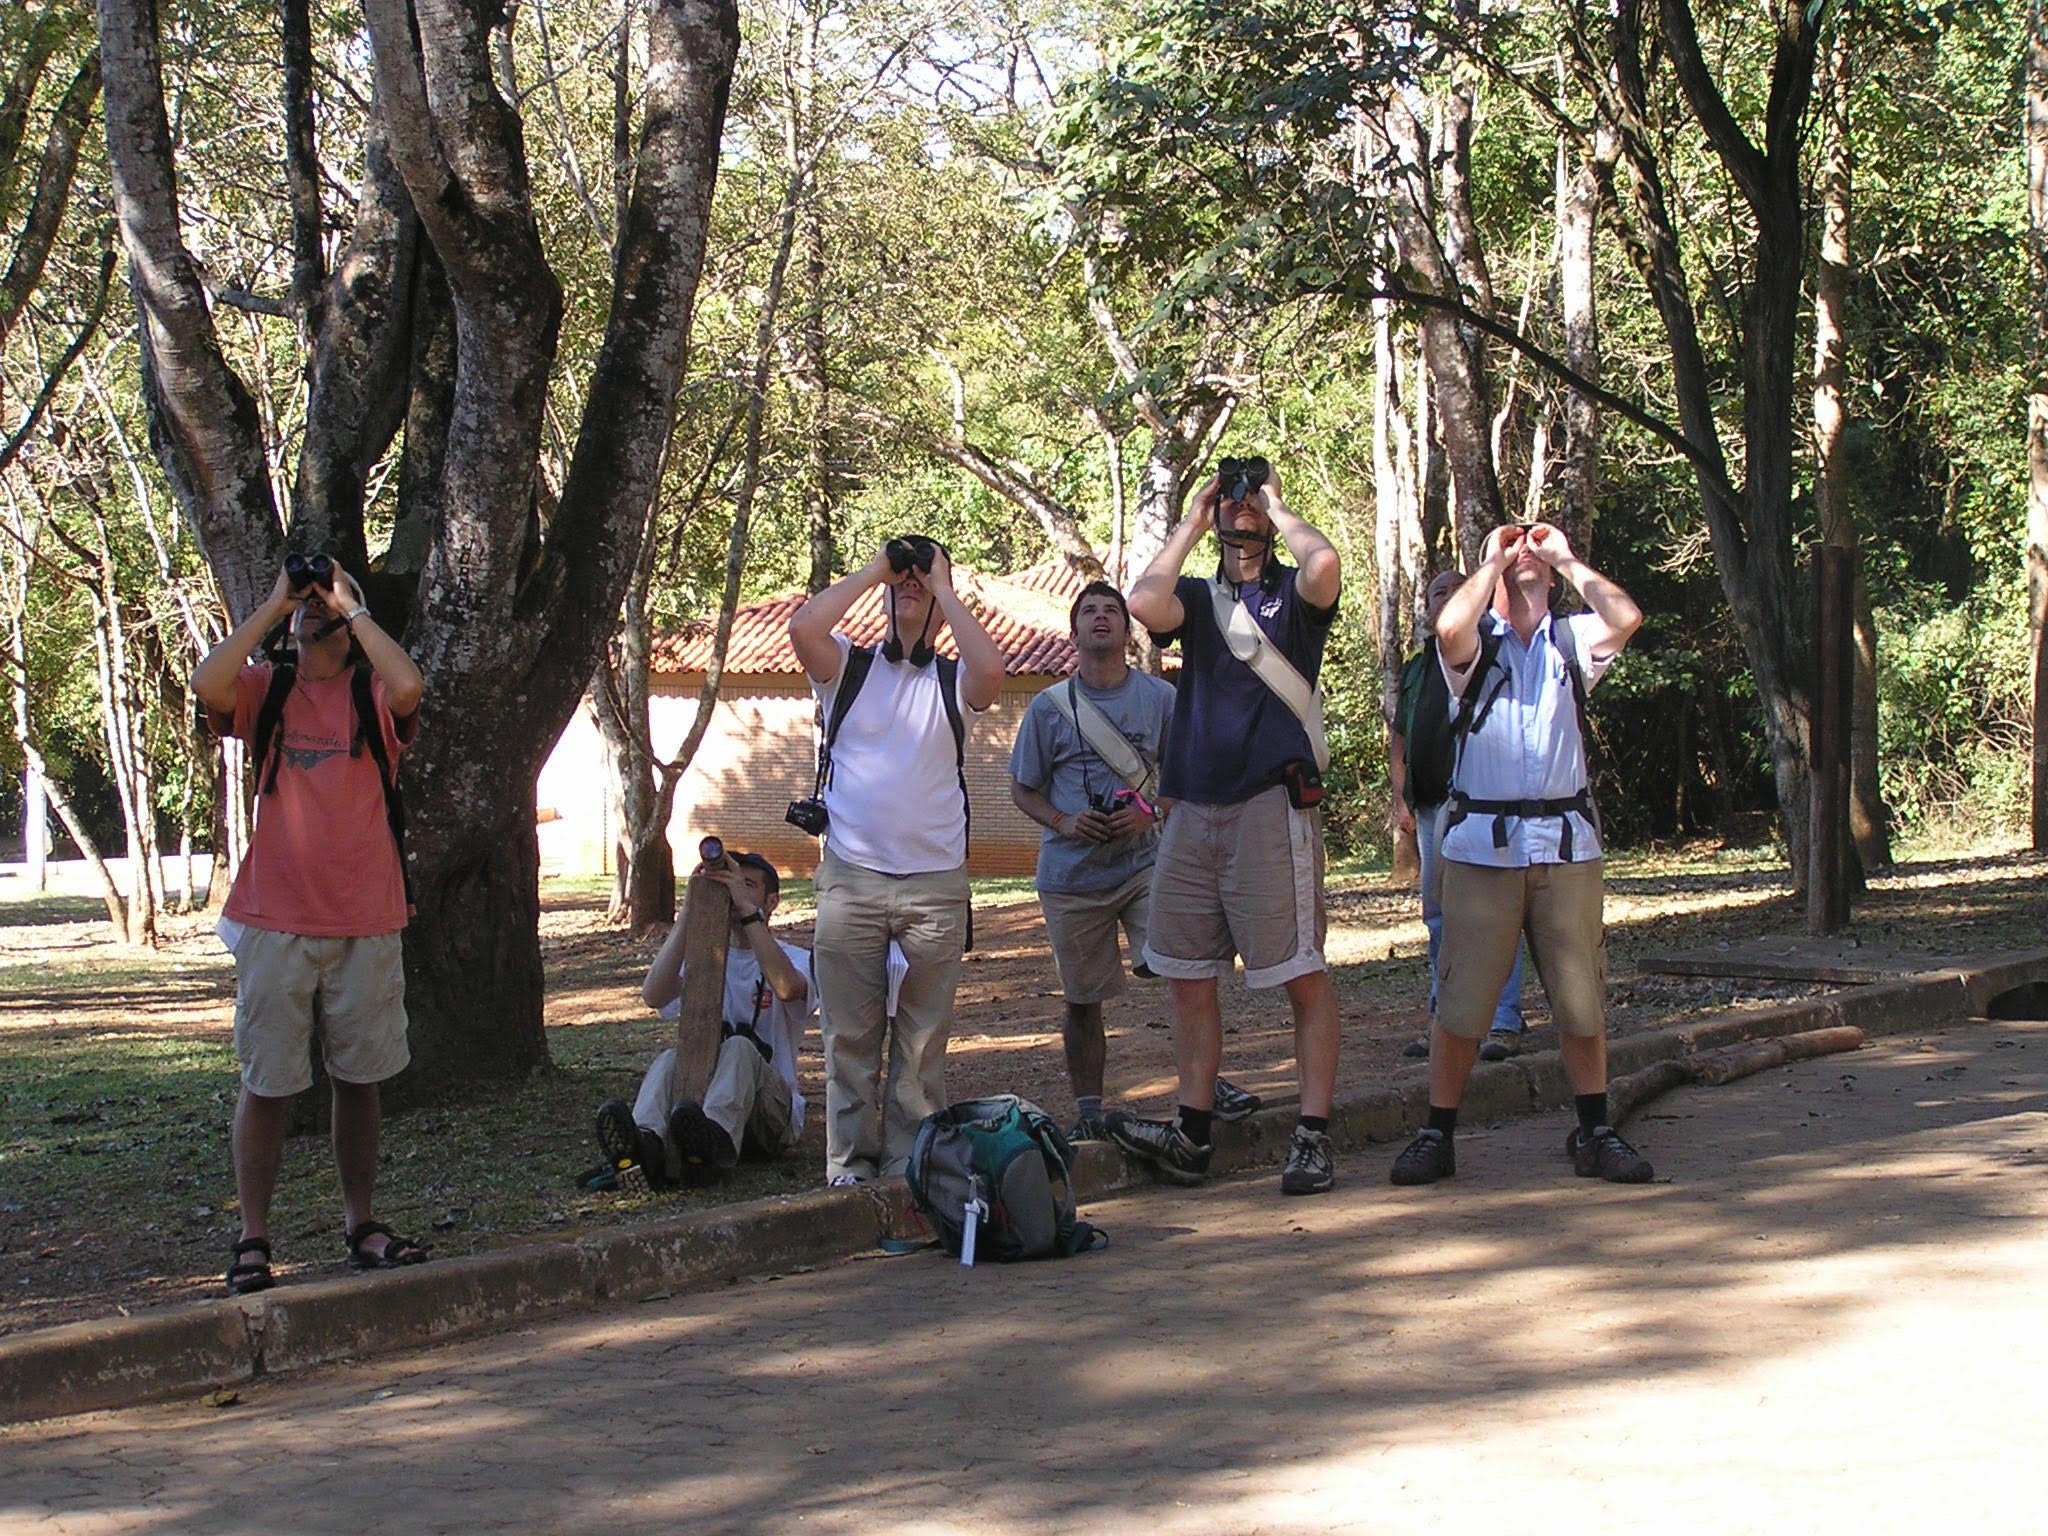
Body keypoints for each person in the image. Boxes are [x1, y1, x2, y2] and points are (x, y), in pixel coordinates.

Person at [1390, 520, 1652, 1187]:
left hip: (1565, 848)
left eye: (1529, 549)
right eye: (1511, 553)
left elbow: (1625, 616)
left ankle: (1595, 1128)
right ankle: (1436, 1132)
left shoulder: (1570, 640)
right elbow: (1450, 628)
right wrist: (1494, 560)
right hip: (1483, 849)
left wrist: (1564, 557)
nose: (1523, 555)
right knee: (1462, 1005)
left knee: (1581, 1001)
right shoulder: (1473, 647)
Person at [191, 558, 427, 1294]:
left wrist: (350, 608)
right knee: (267, 1083)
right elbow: (208, 683)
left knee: (358, 1080)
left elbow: (413, 685)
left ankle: (361, 1224)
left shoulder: (372, 692)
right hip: (275, 919)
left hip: (365, 917)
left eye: (321, 606)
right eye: (308, 607)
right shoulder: (269, 689)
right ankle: (253, 1238)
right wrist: (274, 605)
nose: (311, 613)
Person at [1110, 457, 1345, 1196]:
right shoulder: (1198, 596)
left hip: (1268, 807)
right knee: (1186, 977)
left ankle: (1312, 1136)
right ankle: (1193, 1132)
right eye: (1232, 495)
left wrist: (1275, 506)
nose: (1240, 503)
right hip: (1191, 809)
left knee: (1299, 972)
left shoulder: (1291, 594)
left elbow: (1325, 561)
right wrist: (1195, 512)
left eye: (1251, 495)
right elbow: (1143, 602)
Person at [1009, 580, 1262, 1142]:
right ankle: (1091, 1110)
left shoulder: (1162, 699)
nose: (1100, 618)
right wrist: (1065, 821)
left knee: (1183, 976)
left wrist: (1151, 811)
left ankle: (1207, 1088)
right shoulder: (1048, 709)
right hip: (1070, 876)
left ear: (1128, 630)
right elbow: (1023, 789)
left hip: (1150, 865)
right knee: (1082, 1000)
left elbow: (1185, 772)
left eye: (1111, 611)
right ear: (1074, 631)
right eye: (1089, 612)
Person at [788, 536, 1004, 1185]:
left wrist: (942, 585)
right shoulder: (847, 668)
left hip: (935, 883)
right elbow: (803, 627)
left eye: (922, 578)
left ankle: (910, 1164)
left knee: (920, 1045)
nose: (911, 584)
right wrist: (878, 569)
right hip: (851, 878)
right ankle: (848, 1167)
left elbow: (992, 674)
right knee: (849, 1037)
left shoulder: (953, 681)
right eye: (901, 578)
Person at [597, 852, 817, 1185]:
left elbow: (787, 989)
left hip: (770, 1117)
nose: (733, 891)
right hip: (696, 1109)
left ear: (771, 901)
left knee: (741, 1048)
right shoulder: (705, 959)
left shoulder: (796, 958)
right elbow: (653, 995)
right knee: (671, 1058)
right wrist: (690, 911)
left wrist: (747, 912)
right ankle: (647, 1143)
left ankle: (713, 1146)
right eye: (728, 883)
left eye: (746, 885)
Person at [1392, 569, 1528, 1061]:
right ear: (1425, 607)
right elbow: (1400, 738)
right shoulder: (1415, 668)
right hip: (1430, 808)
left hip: (1482, 804)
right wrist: (1400, 796)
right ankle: (1444, 1018)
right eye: (1437, 593)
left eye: (1457, 589)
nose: (1446, 599)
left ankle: (1503, 1020)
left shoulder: (1491, 654)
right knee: (1439, 917)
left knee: (1494, 914)